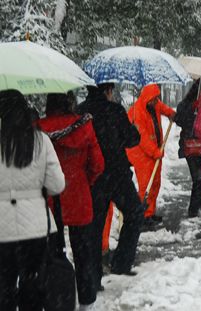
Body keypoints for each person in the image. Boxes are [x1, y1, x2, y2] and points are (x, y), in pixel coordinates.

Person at [37, 93, 104, 308]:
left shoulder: (38, 129)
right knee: (84, 252)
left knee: (54, 255)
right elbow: (98, 164)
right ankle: (86, 298)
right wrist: (86, 180)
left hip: (50, 201)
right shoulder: (84, 126)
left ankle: (59, 298)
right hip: (79, 196)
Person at [0, 90, 65, 310]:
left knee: (4, 287)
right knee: (33, 285)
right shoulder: (41, 140)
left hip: (2, 229)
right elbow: (57, 185)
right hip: (34, 228)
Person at [77, 83, 143, 283]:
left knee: (94, 226)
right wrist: (134, 129)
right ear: (107, 91)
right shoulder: (115, 110)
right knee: (134, 212)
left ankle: (93, 275)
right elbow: (132, 139)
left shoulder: (80, 113)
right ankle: (121, 262)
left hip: (93, 177)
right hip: (117, 174)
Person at [127, 84, 175, 226]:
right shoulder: (136, 112)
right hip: (140, 152)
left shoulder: (153, 104)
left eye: (156, 99)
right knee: (146, 184)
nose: (156, 102)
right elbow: (142, 138)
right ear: (147, 98)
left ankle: (150, 212)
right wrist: (155, 152)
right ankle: (143, 215)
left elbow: (163, 108)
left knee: (155, 183)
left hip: (155, 151)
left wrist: (171, 113)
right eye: (153, 100)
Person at [174, 78, 201, 221]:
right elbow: (179, 120)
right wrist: (193, 109)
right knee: (197, 179)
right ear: (197, 89)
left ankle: (193, 210)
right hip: (190, 146)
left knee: (199, 180)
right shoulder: (187, 104)